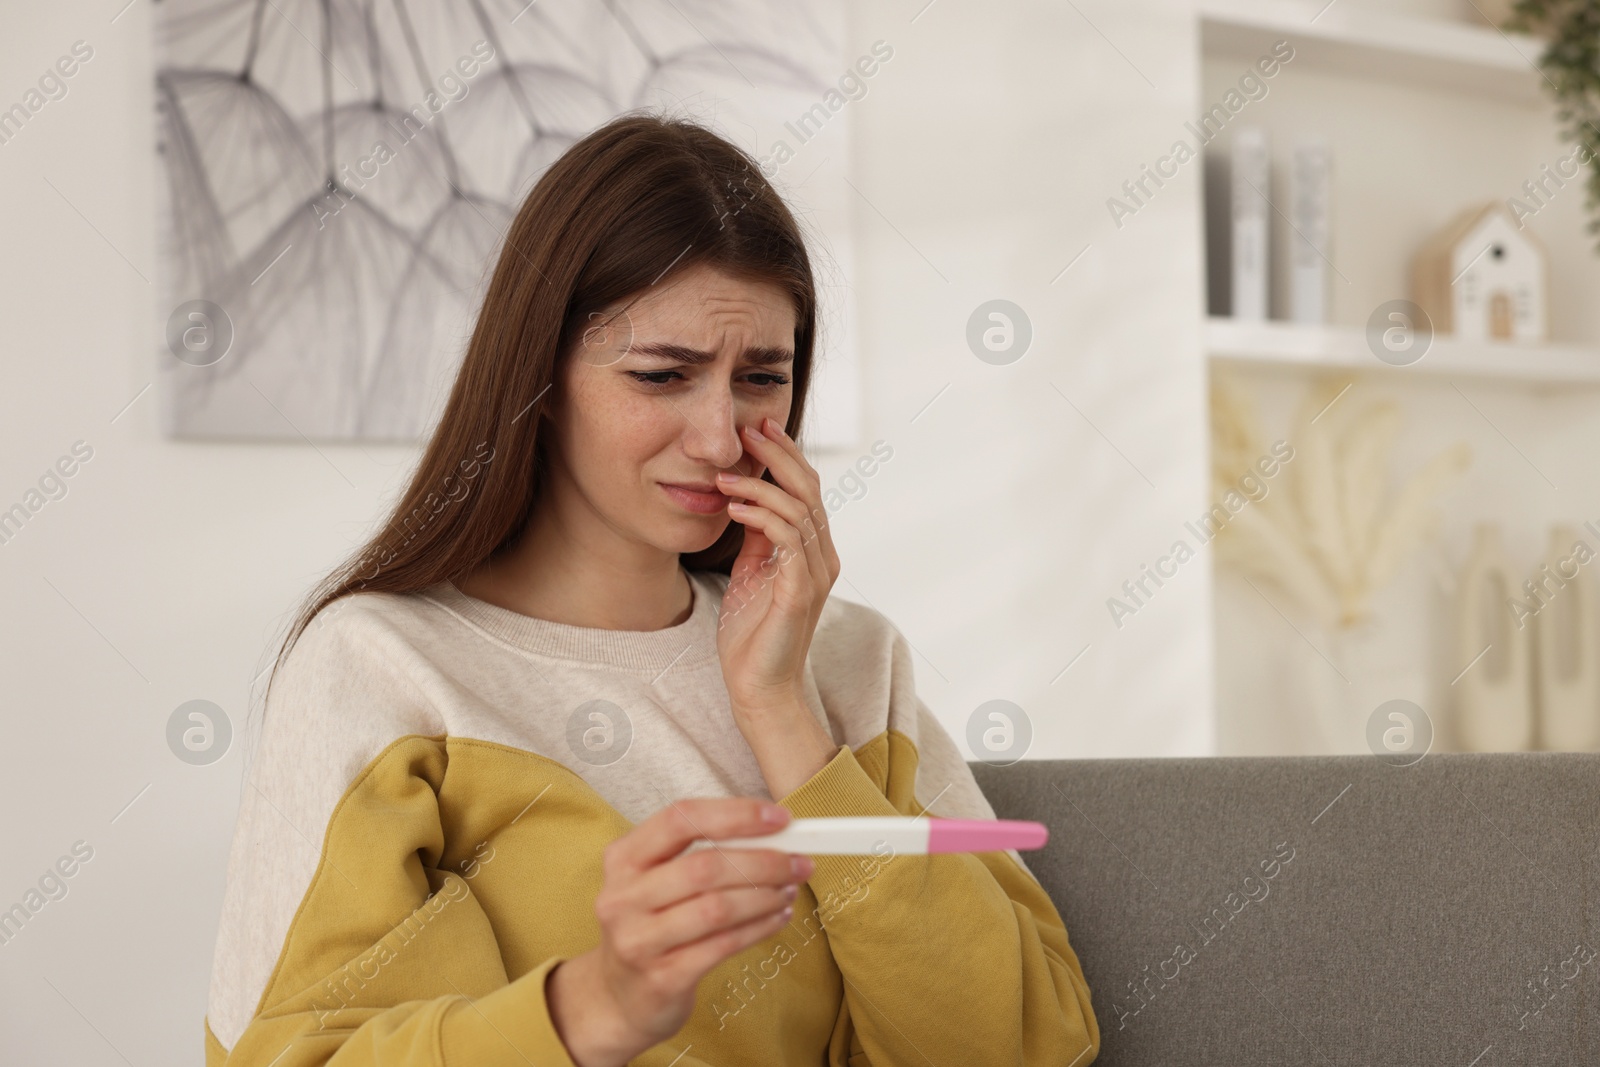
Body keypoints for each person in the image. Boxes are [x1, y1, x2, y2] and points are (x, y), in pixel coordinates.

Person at [203, 111, 1099, 1067]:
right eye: (663, 375)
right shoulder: (381, 670)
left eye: (763, 377)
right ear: (537, 375)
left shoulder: (849, 662)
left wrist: (780, 708)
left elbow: (1025, 1046)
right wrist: (591, 1007)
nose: (722, 438)